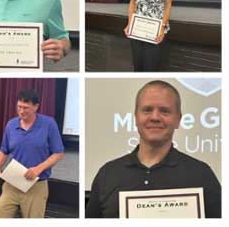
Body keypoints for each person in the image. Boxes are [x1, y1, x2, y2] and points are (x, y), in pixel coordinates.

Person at [85, 80, 221, 218]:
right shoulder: (108, 174)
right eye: (147, 110)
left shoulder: (201, 174)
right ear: (136, 118)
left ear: (178, 120)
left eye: (164, 111)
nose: (155, 117)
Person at [0, 89, 64, 218]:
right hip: (12, 182)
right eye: (19, 107)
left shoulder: (48, 124)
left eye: (26, 108)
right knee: (0, 215)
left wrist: (38, 169)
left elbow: (58, 153)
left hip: (36, 185)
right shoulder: (11, 125)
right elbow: (4, 150)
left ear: (36, 107)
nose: (22, 111)